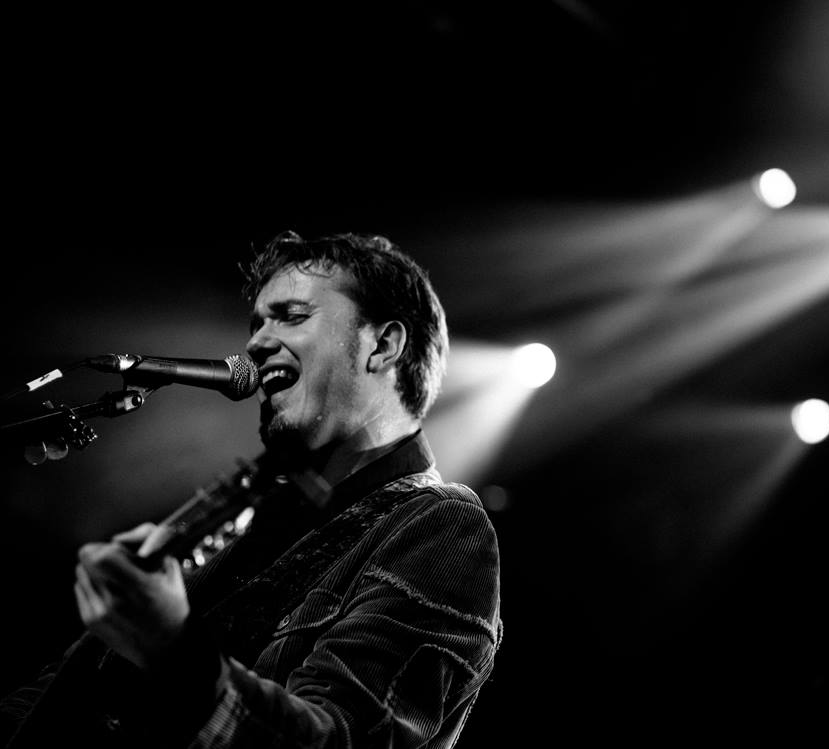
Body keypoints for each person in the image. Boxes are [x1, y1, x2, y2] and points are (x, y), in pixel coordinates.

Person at [1, 230, 502, 748]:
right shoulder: (251, 510)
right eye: (257, 322)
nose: (257, 342)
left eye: (292, 315)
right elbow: (61, 691)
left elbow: (343, 739)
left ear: (382, 345)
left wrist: (175, 651)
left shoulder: (440, 527)